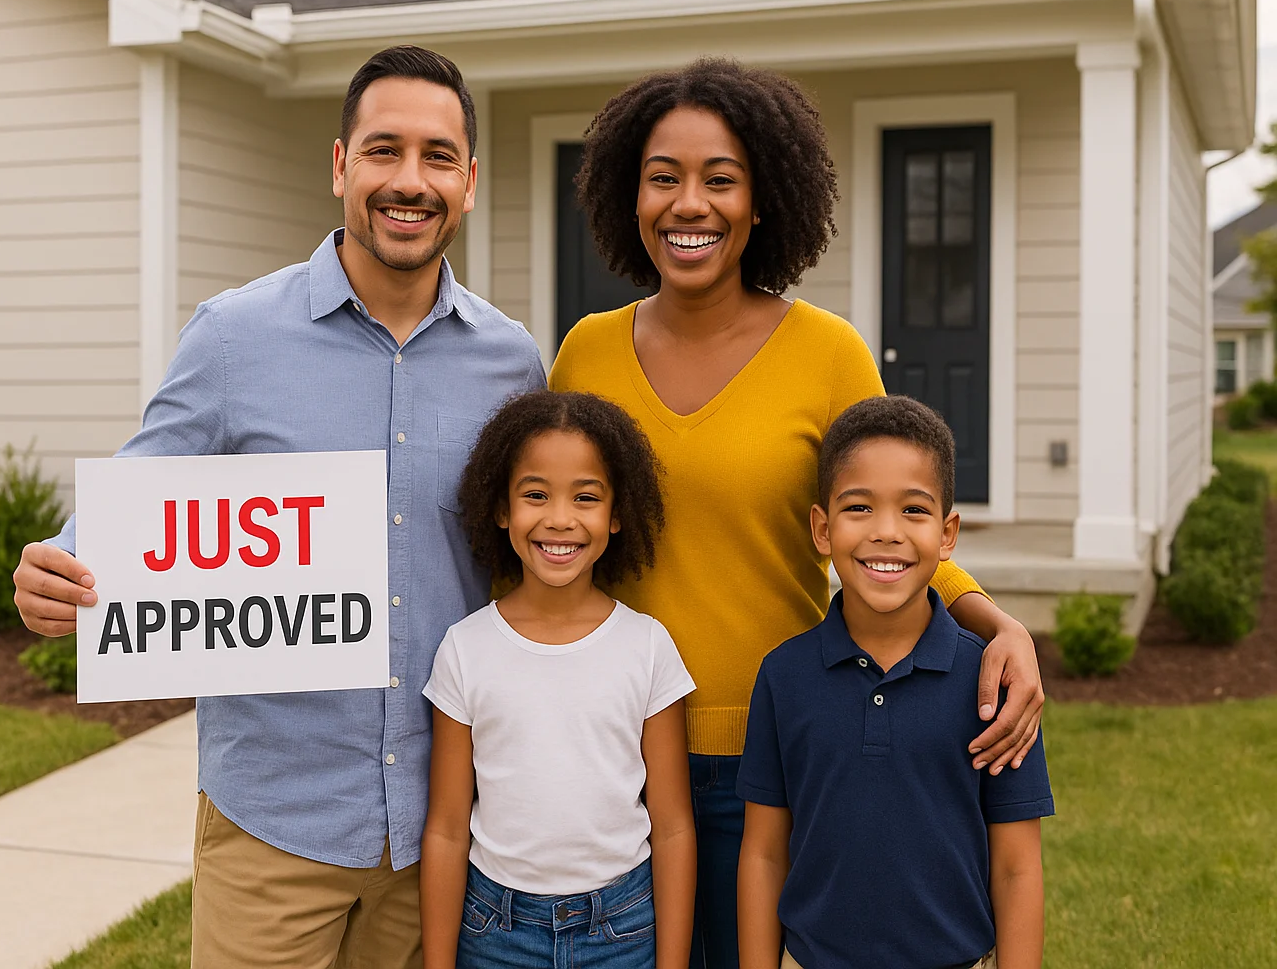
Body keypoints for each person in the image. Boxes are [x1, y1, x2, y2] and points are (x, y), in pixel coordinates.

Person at [10, 46, 545, 968]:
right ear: (340, 166)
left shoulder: (514, 364)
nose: (408, 181)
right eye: (383, 151)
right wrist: (59, 567)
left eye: (436, 157)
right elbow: (140, 495)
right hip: (274, 823)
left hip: (450, 829)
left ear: (468, 181)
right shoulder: (233, 339)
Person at [549, 57, 1046, 968]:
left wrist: (994, 619)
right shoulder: (585, 354)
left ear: (763, 199)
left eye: (720, 179)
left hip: (781, 753)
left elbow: (890, 515)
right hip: (612, 754)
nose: (688, 203)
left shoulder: (826, 353)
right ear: (631, 194)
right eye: (664, 178)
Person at [736, 395, 1053, 969]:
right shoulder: (783, 677)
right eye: (858, 508)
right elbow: (762, 853)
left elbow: (1017, 866)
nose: (886, 532)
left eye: (913, 510)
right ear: (821, 528)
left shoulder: (994, 686)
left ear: (948, 533)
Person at [420, 390, 697, 969]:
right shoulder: (464, 649)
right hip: (494, 932)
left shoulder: (647, 648)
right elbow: (447, 829)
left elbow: (672, 827)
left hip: (622, 930)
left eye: (586, 497)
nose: (560, 519)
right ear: (502, 509)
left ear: (617, 514)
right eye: (536, 495)